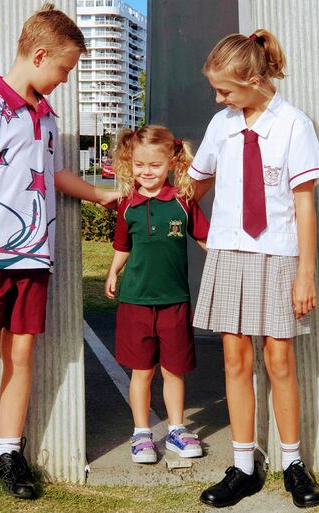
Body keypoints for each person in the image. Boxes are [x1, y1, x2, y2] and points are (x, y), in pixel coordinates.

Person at [0, 4, 117, 500]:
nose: (65, 78)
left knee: (21, 354)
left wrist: (100, 193)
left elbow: (53, 174)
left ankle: (11, 452)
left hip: (34, 259)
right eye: (64, 69)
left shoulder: (47, 116)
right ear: (39, 55)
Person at [189, 30, 319, 509]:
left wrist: (305, 273)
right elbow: (195, 182)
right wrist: (180, 215)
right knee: (234, 361)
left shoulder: (294, 125)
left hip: (278, 254)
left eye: (225, 89)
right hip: (229, 254)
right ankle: (244, 465)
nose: (218, 97)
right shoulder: (221, 125)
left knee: (280, 361)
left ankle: (292, 462)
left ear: (253, 80)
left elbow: (304, 204)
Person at [105, 125, 209, 464]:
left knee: (173, 370)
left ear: (171, 164)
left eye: (154, 165)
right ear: (129, 163)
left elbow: (207, 240)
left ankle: (177, 430)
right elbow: (123, 245)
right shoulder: (127, 206)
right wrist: (112, 271)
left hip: (175, 302)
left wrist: (227, 265)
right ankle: (142, 435)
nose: (146, 172)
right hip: (135, 303)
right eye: (139, 165)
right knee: (141, 372)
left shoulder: (183, 202)